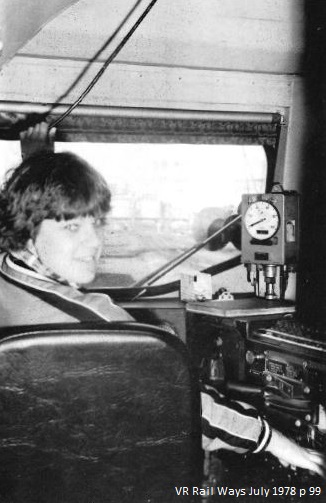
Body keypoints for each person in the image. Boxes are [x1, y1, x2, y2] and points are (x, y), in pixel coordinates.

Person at [0, 122, 324, 480]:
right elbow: (188, 408)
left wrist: (35, 162)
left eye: (98, 223)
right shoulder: (100, 323)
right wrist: (276, 441)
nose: (94, 243)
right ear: (26, 231)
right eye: (72, 227)